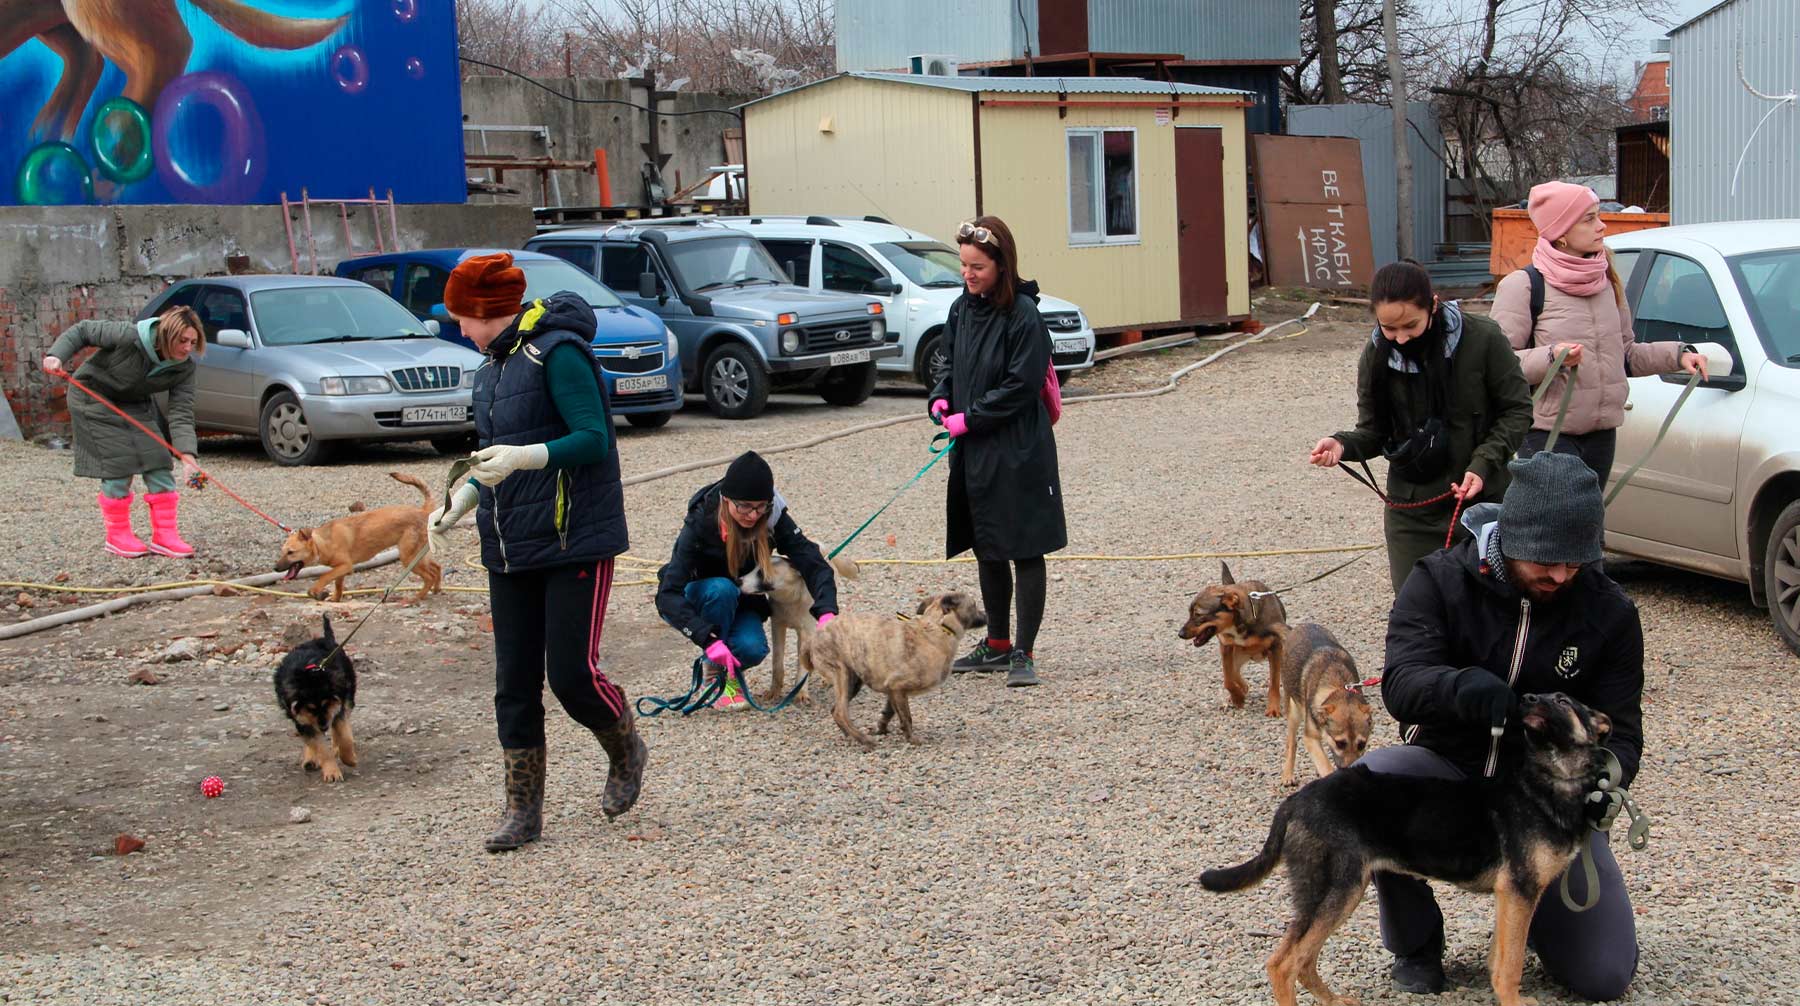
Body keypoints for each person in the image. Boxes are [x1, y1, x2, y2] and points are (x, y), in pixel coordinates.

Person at [1371, 452, 1644, 1000]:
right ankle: (1416, 945)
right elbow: (1401, 683)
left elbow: (1626, 732)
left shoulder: (1609, 611)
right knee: (1377, 778)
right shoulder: (1439, 579)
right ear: (1512, 537)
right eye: (1547, 561)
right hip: (1450, 773)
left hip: (1545, 802)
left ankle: (1538, 919)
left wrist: (1605, 783)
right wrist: (1460, 688)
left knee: (1603, 975)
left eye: (1576, 562)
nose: (1562, 575)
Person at [425, 253, 646, 853]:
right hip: (509, 543)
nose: (457, 328)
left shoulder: (559, 352)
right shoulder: (489, 369)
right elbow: (495, 457)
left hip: (575, 537)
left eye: (459, 317)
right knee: (513, 683)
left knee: (571, 676)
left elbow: (593, 438)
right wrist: (463, 498)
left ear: (482, 310)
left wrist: (528, 456)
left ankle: (625, 745)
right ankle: (523, 811)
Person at [1309, 261, 1533, 593]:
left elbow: (1517, 410)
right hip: (1412, 512)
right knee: (1418, 614)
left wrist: (1483, 463)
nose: (1400, 338)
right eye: (1388, 328)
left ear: (1433, 304)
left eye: (1410, 325)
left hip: (1481, 503)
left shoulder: (1483, 339)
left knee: (1486, 612)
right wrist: (1342, 445)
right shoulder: (1375, 354)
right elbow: (1373, 432)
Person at [1491, 181, 1708, 488]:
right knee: (1557, 530)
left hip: (1602, 434)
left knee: (1590, 527)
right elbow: (1501, 367)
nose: (1602, 226)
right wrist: (1553, 356)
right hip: (1546, 435)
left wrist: (1679, 355)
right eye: (1589, 219)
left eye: (1598, 216)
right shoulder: (1523, 286)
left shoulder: (1606, 279)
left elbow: (1627, 354)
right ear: (1562, 232)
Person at [929, 215, 1066, 689]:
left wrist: (972, 416)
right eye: (964, 266)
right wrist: (941, 396)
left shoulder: (1024, 315)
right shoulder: (961, 309)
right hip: (975, 448)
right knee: (987, 543)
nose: (968, 275)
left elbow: (1021, 385)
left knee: (1024, 547)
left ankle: (1024, 651)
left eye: (978, 267)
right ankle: (997, 643)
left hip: (1019, 447)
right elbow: (946, 359)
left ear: (1001, 266)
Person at [655, 450, 840, 711]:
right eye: (743, 506)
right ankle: (720, 677)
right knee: (722, 589)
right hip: (704, 594)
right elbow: (667, 595)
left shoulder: (774, 516)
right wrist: (706, 639)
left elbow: (814, 563)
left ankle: (723, 664)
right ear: (726, 500)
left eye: (759, 506)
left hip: (740, 598)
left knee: (752, 649)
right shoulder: (700, 522)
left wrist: (826, 610)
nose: (752, 515)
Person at [41, 307, 205, 559]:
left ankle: (165, 536)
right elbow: (83, 330)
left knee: (159, 459)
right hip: (92, 397)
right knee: (119, 463)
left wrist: (188, 457)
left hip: (133, 403)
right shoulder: (128, 336)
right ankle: (117, 536)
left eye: (192, 342)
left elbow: (181, 412)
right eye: (182, 341)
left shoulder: (185, 368)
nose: (187, 348)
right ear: (165, 335)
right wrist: (56, 355)